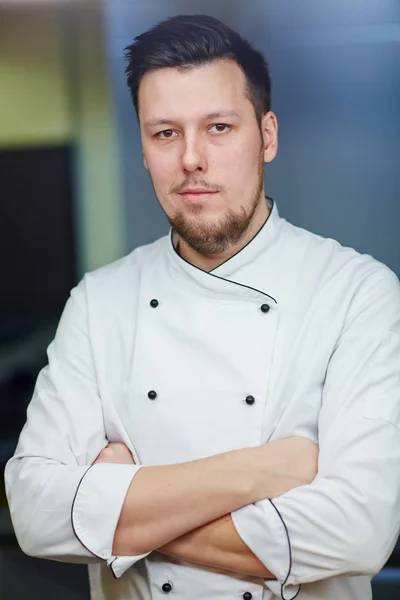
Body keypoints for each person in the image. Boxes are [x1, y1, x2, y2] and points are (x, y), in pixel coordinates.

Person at [5, 13, 400, 600]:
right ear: (142, 146)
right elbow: (34, 513)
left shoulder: (357, 292)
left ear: (266, 135)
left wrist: (117, 506)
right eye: (165, 132)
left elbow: (359, 532)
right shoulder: (99, 302)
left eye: (218, 127)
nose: (191, 159)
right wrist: (261, 472)